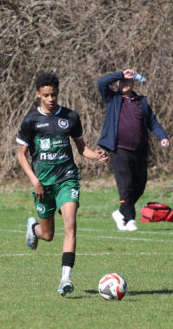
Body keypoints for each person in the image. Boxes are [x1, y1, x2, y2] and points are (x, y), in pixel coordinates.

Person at [17, 72, 109, 296]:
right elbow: (21, 154)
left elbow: (81, 148)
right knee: (47, 235)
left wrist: (95, 156)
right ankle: (33, 229)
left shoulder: (70, 117)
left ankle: (65, 279)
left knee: (71, 224)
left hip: (67, 178)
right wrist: (35, 181)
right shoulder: (31, 120)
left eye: (54, 95)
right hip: (43, 184)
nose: (51, 99)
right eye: (46, 95)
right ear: (38, 94)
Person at [96, 68, 170, 232]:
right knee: (126, 185)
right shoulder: (113, 99)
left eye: (128, 81)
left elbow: (153, 122)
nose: (124, 84)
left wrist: (162, 137)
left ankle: (121, 213)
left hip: (139, 151)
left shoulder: (141, 102)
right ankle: (129, 219)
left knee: (140, 185)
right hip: (119, 149)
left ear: (133, 83)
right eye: (122, 81)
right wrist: (121, 74)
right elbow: (101, 82)